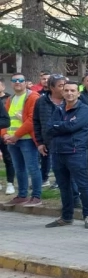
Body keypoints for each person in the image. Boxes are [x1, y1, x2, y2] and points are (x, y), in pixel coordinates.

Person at [44, 80, 88, 229]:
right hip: (57, 152)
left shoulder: (84, 110)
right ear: (62, 92)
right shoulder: (59, 109)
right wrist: (63, 126)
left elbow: (72, 127)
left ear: (78, 93)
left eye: (73, 90)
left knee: (83, 185)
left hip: (75, 152)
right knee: (64, 186)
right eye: (66, 90)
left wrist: (59, 126)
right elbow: (48, 127)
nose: (69, 93)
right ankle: (66, 217)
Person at [2, 74, 40, 207]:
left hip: (27, 139)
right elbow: (5, 119)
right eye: (14, 80)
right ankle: (22, 195)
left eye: (20, 80)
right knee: (19, 169)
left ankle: (36, 196)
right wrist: (4, 135)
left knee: (32, 168)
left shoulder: (33, 97)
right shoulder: (10, 99)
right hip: (12, 140)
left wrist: (16, 136)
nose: (17, 82)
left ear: (25, 82)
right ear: (11, 83)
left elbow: (31, 120)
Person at [33, 75, 66, 190]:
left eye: (65, 85)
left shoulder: (70, 100)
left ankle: (61, 182)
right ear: (52, 87)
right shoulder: (41, 101)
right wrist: (39, 142)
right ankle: (46, 179)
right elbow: (36, 122)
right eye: (61, 86)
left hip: (67, 140)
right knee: (49, 162)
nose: (64, 88)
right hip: (48, 140)